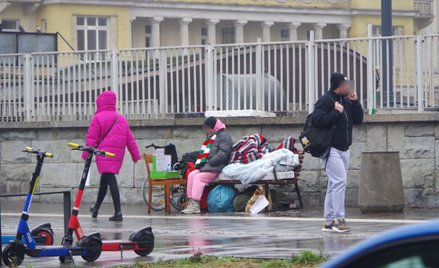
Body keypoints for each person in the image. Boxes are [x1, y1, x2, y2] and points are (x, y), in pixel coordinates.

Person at [312, 73, 363, 233]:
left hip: (344, 149)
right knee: (340, 182)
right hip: (330, 148)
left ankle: (328, 222)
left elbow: (359, 120)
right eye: (346, 84)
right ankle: (339, 220)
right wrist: (336, 112)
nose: (349, 87)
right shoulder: (325, 100)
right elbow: (317, 120)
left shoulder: (346, 101)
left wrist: (355, 103)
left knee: (334, 184)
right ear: (338, 85)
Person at [83, 91, 140, 222]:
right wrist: (135, 155)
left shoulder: (97, 118)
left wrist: (85, 154)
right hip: (117, 154)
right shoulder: (121, 118)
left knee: (110, 179)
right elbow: (130, 139)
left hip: (103, 153)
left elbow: (92, 138)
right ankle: (96, 208)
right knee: (105, 180)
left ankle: (118, 211)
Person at [181, 116, 233, 214]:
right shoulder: (213, 135)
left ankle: (196, 205)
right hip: (208, 166)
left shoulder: (223, 136)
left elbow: (224, 153)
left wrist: (211, 162)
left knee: (198, 178)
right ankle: (190, 202)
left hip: (217, 167)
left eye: (208, 127)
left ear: (213, 127)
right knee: (192, 175)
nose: (207, 130)